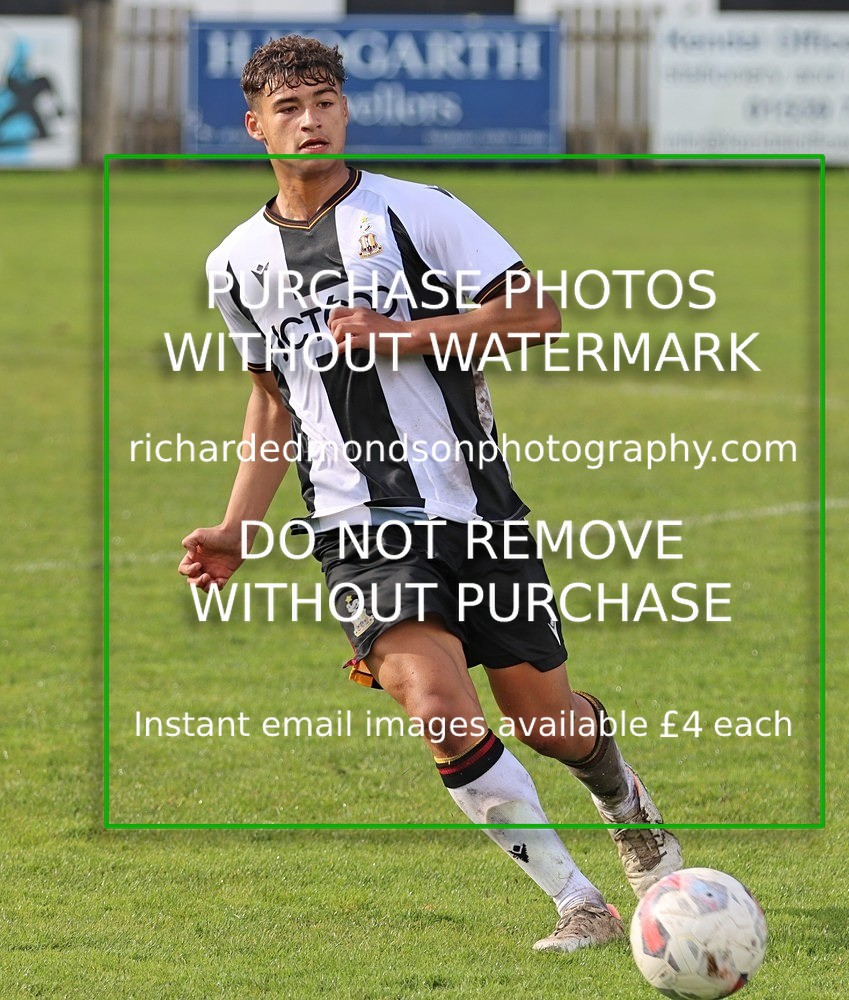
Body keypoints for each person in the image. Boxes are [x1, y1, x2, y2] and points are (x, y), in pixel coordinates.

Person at [178, 34, 681, 953]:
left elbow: (536, 312)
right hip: (355, 524)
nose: (309, 119)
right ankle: (578, 903)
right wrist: (235, 525)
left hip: (477, 511)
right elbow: (270, 399)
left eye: (324, 100)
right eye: (287, 108)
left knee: (548, 722)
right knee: (439, 708)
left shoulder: (419, 212)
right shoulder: (236, 262)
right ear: (255, 127)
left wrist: (401, 335)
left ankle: (625, 802)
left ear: (345, 111)